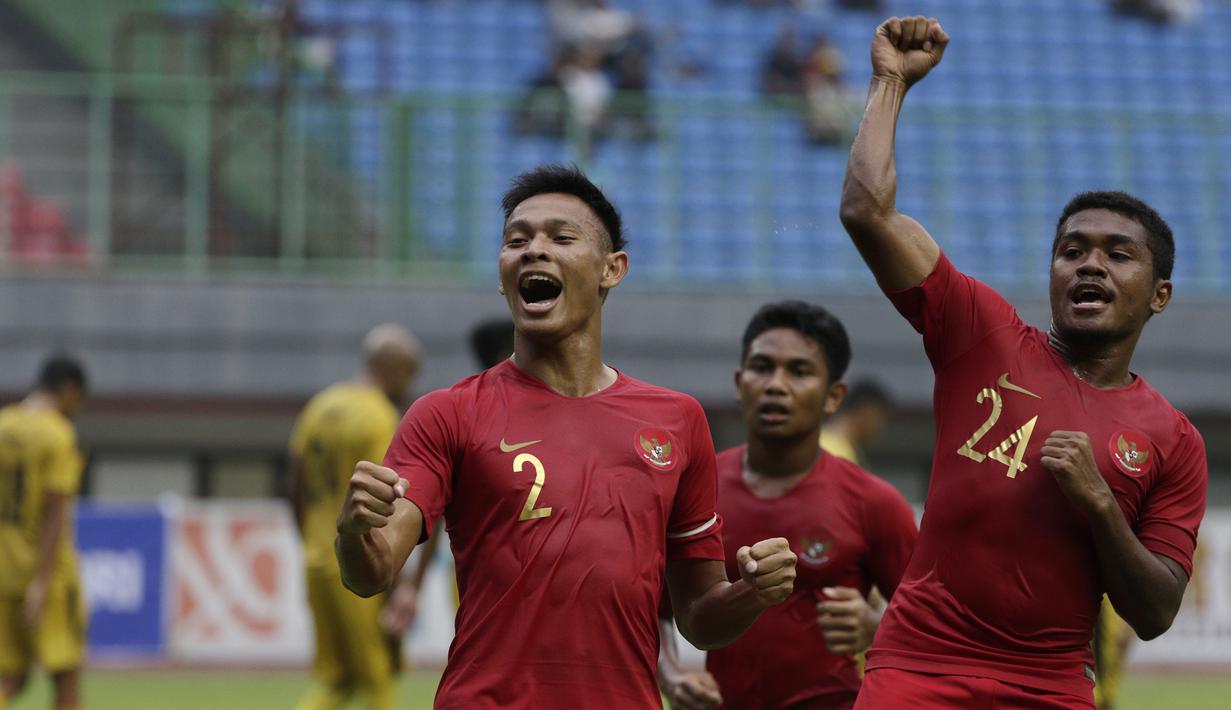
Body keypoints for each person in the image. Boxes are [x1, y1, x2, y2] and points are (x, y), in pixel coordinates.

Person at [840, 16, 1207, 709]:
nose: (1088, 263)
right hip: (915, 672)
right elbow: (866, 212)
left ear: (1158, 295)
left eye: (1116, 254)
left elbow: (1155, 613)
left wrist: (1100, 503)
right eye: (1070, 250)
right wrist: (890, 81)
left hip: (1047, 689)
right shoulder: (981, 332)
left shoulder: (1173, 441)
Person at [334, 164, 798, 708]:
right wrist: (352, 532)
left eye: (560, 237)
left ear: (612, 269)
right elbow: (372, 573)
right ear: (502, 270)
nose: (533, 250)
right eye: (517, 240)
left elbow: (698, 620)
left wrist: (751, 593)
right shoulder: (446, 414)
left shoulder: (678, 421)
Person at [658, 301, 917, 710]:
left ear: (834, 396)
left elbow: (935, 622)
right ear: (740, 382)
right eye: (762, 368)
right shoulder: (694, 491)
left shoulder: (874, 502)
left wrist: (876, 627)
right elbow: (651, 608)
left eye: (799, 371)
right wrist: (672, 675)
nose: (776, 385)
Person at [288, 324, 422, 710]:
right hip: (354, 562)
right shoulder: (379, 416)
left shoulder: (319, 406)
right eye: (408, 377)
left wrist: (309, 540)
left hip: (315, 559)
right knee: (378, 676)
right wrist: (400, 575)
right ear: (396, 370)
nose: (408, 389)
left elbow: (293, 484)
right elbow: (388, 497)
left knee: (338, 679)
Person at [0, 355, 89, 710]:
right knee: (66, 674)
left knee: (11, 676)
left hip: (2, 569)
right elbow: (55, 511)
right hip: (45, 572)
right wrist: (41, 580)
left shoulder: (3, 423)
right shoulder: (57, 433)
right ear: (69, 391)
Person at [820, 379, 892, 465]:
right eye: (880, 420)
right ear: (867, 413)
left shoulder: (816, 438)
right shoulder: (839, 453)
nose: (880, 428)